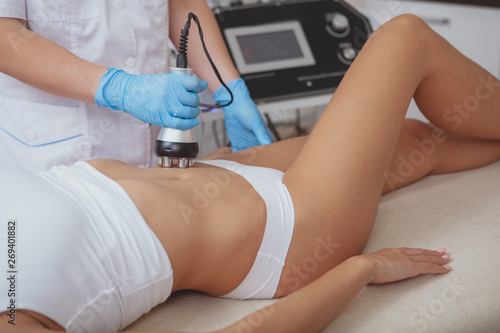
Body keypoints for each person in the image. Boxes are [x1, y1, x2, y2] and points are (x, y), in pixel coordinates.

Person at [1, 14, 500, 333]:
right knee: (405, 37)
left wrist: (228, 87)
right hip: (285, 232)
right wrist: (362, 269)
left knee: (417, 142)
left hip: (210, 175)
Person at [0, 0, 273, 173]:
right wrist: (118, 88)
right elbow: (5, 37)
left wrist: (229, 89)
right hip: (57, 157)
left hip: (152, 159)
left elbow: (180, 3)